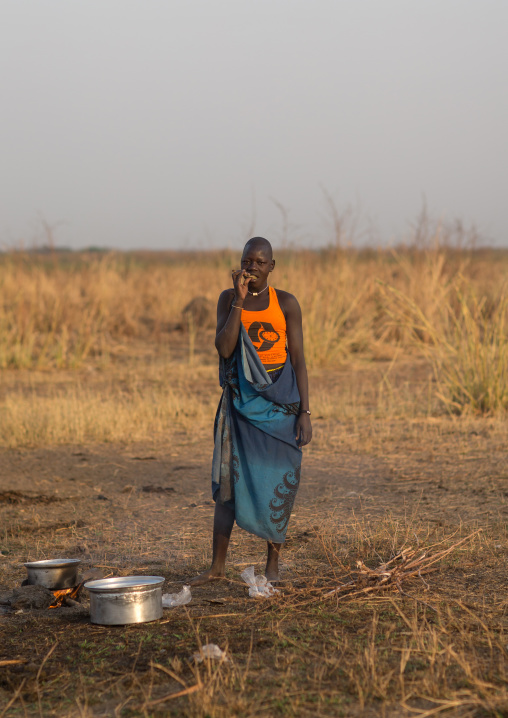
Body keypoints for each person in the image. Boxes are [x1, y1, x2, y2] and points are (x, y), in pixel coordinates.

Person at [190, 237, 312, 585]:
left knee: (279, 482)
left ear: (272, 266)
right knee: (229, 482)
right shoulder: (228, 299)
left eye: (260, 262)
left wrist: (305, 412)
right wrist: (239, 303)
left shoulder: (286, 303)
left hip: (281, 404)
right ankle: (216, 568)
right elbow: (225, 348)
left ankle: (272, 567)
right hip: (240, 403)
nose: (252, 268)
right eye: (247, 261)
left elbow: (299, 361)